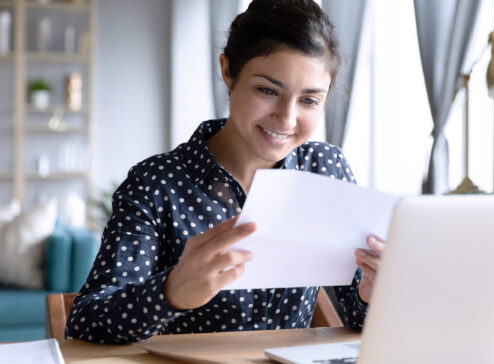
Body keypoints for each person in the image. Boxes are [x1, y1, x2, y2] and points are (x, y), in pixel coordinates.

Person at [66, 0, 385, 344]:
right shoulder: (156, 183)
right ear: (228, 70)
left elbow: (355, 314)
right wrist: (169, 293)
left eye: (309, 100)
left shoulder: (326, 170)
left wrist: (372, 293)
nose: (287, 119)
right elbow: (85, 322)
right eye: (267, 90)